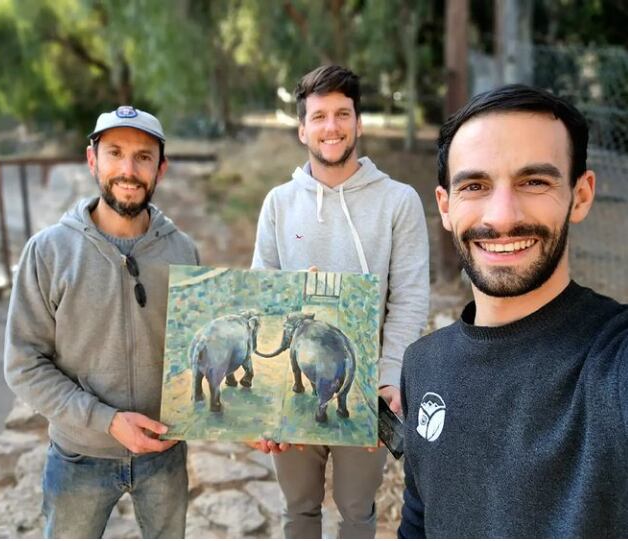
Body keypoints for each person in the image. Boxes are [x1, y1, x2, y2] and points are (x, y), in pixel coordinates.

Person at [399, 85, 628, 538]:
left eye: (534, 182)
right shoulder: (422, 365)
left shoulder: (611, 365)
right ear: (446, 207)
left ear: (580, 196)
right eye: (475, 186)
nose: (501, 217)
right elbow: (418, 524)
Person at [251, 64, 430, 538]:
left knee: (357, 510)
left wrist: (390, 375)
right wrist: (265, 394)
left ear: (358, 122)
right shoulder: (278, 203)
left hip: (362, 385)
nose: (331, 127)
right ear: (302, 128)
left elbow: (410, 297)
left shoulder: (399, 201)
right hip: (293, 384)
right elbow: (259, 295)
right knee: (300, 509)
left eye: (342, 114)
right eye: (319, 116)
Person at [4, 106, 199, 538]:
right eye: (115, 153)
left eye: (143, 157)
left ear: (161, 169)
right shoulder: (49, 252)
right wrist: (106, 420)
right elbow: (23, 364)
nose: (128, 170)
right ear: (92, 160)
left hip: (164, 453)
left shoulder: (183, 252)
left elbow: (198, 354)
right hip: (79, 456)